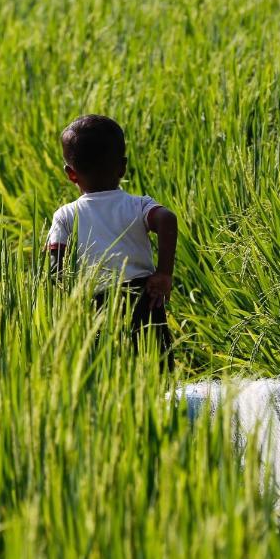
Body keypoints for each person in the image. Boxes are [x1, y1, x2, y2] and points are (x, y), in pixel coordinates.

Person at [46, 114, 177, 369]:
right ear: (122, 167)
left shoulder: (66, 215)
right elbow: (167, 219)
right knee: (158, 376)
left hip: (97, 306)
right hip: (144, 300)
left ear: (71, 174)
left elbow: (56, 269)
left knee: (109, 377)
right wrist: (163, 274)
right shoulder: (138, 206)